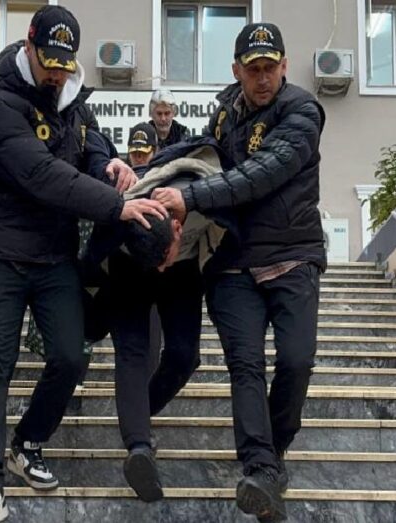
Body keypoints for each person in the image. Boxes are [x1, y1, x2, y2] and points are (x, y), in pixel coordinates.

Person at [0, 6, 167, 522]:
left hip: (52, 254)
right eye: (48, 62)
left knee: (72, 357)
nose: (56, 74)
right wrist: (116, 205)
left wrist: (110, 164)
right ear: (28, 47)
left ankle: (27, 442)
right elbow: (41, 174)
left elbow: (89, 150)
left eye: (64, 64)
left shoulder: (73, 101)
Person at [153, 22, 326, 521]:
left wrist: (189, 198)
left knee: (296, 361)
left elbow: (261, 173)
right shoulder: (225, 113)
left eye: (271, 67)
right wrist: (149, 181)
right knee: (245, 365)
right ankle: (259, 468)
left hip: (292, 256)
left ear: (285, 66)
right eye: (253, 69)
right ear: (237, 70)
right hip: (231, 264)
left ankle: (273, 452)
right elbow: (198, 159)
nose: (263, 77)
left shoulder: (302, 111)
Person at [82, 139, 234, 502]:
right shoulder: (119, 221)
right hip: (128, 265)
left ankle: (139, 412)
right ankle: (138, 447)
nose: (159, 269)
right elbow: (90, 256)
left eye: (162, 260)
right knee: (133, 350)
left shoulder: (206, 200)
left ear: (179, 229)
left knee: (184, 355)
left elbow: (236, 228)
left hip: (185, 268)